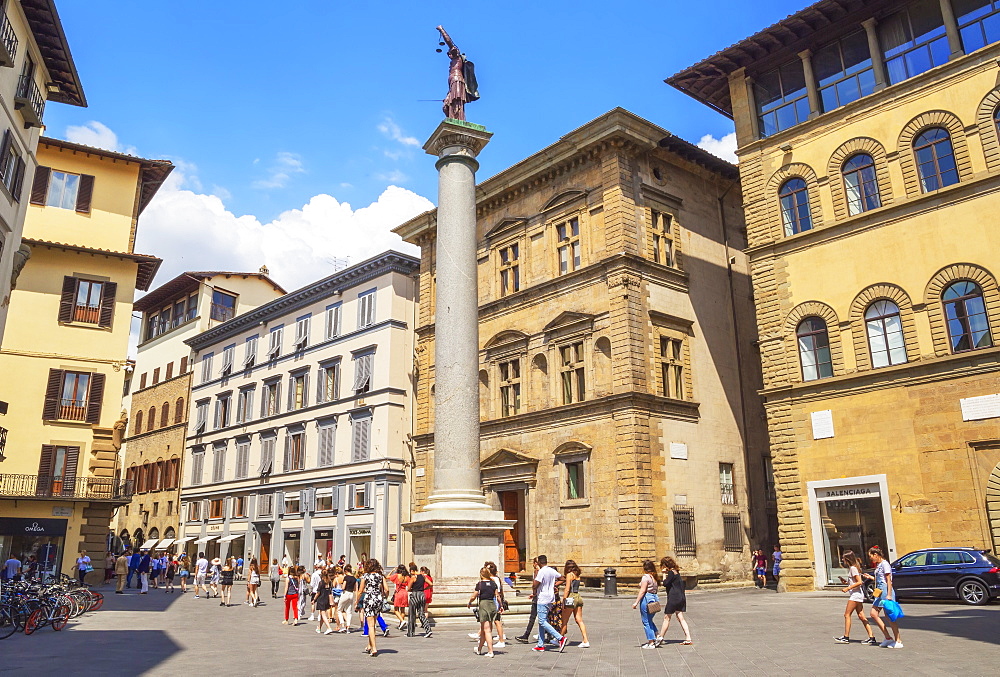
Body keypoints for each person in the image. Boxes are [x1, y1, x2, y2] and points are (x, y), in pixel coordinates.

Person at [864, 546, 902, 648]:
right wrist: (871, 577)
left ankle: (898, 640)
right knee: (873, 614)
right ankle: (888, 637)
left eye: (871, 556)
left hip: (885, 591)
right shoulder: (879, 565)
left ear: (876, 555)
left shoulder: (885, 564)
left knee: (889, 616)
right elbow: (880, 579)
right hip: (879, 591)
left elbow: (888, 580)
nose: (871, 558)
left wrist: (889, 594)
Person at [835, 550, 876, 645]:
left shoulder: (853, 568)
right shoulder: (853, 568)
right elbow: (855, 581)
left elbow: (859, 582)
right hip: (857, 594)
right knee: (861, 616)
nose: (842, 559)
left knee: (847, 615)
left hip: (855, 595)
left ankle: (846, 637)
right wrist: (845, 582)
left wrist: (847, 588)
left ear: (847, 559)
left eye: (843, 558)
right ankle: (871, 636)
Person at [532, 555, 567, 653]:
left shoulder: (542, 571)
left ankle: (560, 638)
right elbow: (562, 578)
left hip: (542, 598)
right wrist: (554, 585)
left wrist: (534, 587)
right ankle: (540, 644)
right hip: (550, 598)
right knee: (542, 621)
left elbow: (535, 584)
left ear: (539, 562)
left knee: (542, 621)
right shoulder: (551, 570)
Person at [655, 557, 692, 646]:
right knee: (680, 617)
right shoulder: (676, 572)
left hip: (673, 598)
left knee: (667, 617)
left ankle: (660, 637)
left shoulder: (671, 572)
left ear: (665, 565)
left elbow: (665, 583)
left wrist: (664, 574)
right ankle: (688, 638)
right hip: (681, 597)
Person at [357, 558, 389, 657]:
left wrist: (356, 602)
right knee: (374, 622)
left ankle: (374, 648)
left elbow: (360, 591)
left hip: (369, 599)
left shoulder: (365, 576)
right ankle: (369, 645)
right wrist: (384, 597)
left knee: (370, 625)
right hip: (378, 598)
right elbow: (387, 589)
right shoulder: (380, 576)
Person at [468, 566, 499, 657]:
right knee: (483, 630)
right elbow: (497, 596)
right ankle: (479, 648)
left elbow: (474, 596)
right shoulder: (493, 584)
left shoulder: (480, 584)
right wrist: (500, 606)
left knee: (487, 630)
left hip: (484, 605)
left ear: (481, 574)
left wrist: (469, 602)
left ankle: (490, 651)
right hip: (492, 605)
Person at [560, 559, 590, 648]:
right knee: (579, 620)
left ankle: (559, 639)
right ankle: (585, 640)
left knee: (564, 621)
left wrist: (564, 600)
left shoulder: (569, 575)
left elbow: (567, 589)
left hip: (571, 597)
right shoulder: (577, 575)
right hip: (578, 597)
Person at [632, 560, 660, 649]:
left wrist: (636, 602)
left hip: (646, 599)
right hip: (654, 598)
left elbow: (643, 590)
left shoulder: (645, 577)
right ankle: (657, 635)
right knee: (650, 619)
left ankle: (651, 642)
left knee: (646, 621)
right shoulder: (654, 577)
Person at [515, 558, 540, 643]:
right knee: (543, 618)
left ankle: (526, 635)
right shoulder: (544, 571)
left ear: (536, 563)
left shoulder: (537, 572)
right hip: (541, 597)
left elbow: (535, 584)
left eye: (533, 563)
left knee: (533, 617)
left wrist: (534, 593)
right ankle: (547, 635)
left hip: (538, 598)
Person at [406, 562, 432, 637]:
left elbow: (409, 588)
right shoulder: (423, 576)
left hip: (415, 595)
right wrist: (425, 588)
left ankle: (410, 632)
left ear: (412, 571)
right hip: (422, 595)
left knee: (412, 614)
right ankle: (428, 629)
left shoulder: (413, 577)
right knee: (421, 613)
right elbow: (431, 584)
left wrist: (410, 590)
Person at [388, 564, 410, 630]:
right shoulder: (407, 577)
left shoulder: (397, 575)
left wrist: (392, 570)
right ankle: (401, 624)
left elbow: (387, 577)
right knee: (402, 610)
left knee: (396, 610)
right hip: (405, 593)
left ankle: (402, 621)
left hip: (399, 592)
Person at [338, 564, 357, 633]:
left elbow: (343, 587)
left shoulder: (346, 578)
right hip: (351, 594)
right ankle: (348, 627)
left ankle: (342, 625)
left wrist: (341, 585)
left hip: (345, 593)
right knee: (349, 611)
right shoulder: (354, 578)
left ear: (346, 571)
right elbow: (355, 588)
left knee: (339, 609)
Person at [315, 571, 335, 635]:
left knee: (323, 614)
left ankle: (329, 627)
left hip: (321, 599)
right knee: (322, 615)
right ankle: (319, 628)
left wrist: (314, 599)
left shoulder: (321, 583)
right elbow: (330, 592)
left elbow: (318, 592)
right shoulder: (329, 582)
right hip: (327, 600)